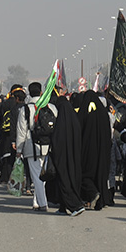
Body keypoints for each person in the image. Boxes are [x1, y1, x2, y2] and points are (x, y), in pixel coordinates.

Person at [15, 82, 51, 212]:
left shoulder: (26, 109)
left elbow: (21, 131)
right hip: (48, 146)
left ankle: (42, 203)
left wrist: (19, 150)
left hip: (31, 147)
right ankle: (37, 201)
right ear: (41, 92)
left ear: (29, 93)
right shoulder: (50, 107)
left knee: (36, 176)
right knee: (44, 177)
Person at [47, 94, 86, 216]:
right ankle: (62, 207)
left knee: (64, 181)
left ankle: (75, 206)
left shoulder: (61, 124)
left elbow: (56, 141)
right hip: (74, 157)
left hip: (63, 158)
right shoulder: (75, 122)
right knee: (70, 179)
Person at [78, 90, 111, 209]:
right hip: (103, 150)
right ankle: (101, 200)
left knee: (84, 173)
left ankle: (92, 194)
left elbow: (79, 127)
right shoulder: (103, 113)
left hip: (87, 149)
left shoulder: (84, 112)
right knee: (100, 174)